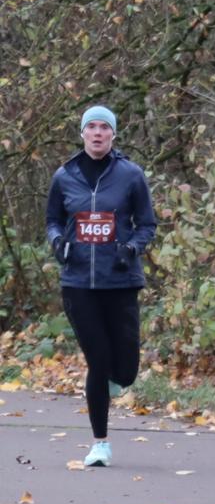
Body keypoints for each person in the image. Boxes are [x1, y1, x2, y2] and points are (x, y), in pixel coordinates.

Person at [46, 104, 156, 468]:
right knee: (98, 360)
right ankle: (100, 444)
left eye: (103, 127)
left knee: (125, 371)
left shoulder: (131, 175)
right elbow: (52, 220)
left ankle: (110, 382)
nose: (97, 133)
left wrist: (132, 248)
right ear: (82, 133)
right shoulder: (65, 175)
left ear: (113, 134)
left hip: (120, 281)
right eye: (91, 127)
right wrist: (58, 242)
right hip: (78, 283)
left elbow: (147, 224)